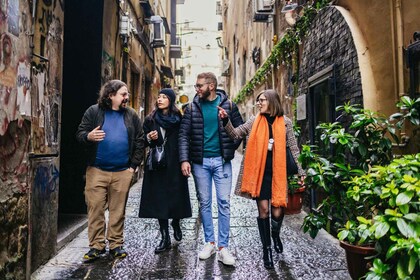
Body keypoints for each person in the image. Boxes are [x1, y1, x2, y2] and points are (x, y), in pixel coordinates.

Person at [218, 89, 305, 269]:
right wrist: (225, 120)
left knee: (277, 212)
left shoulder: (286, 123)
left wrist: (301, 172)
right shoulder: (253, 121)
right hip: (260, 174)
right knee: (264, 210)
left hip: (279, 173)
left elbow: (294, 149)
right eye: (258, 100)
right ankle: (267, 250)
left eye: (262, 100)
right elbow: (235, 134)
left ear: (272, 102)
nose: (259, 103)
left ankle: (275, 235)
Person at [179, 72, 243, 266]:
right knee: (204, 203)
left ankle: (223, 248)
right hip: (200, 163)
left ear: (212, 86)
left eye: (200, 85)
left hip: (222, 162)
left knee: (224, 202)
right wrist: (184, 159)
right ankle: (210, 242)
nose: (196, 89)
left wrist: (229, 150)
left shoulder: (229, 106)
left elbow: (240, 132)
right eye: (196, 86)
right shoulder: (191, 108)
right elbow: (183, 135)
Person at [76, 79, 144, 260]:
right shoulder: (94, 112)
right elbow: (80, 134)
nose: (127, 97)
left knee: (117, 210)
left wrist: (133, 167)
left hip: (123, 171)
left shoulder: (131, 115)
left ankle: (115, 244)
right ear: (110, 95)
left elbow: (140, 140)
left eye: (127, 94)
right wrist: (89, 136)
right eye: (123, 94)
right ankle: (96, 246)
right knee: (95, 208)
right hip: (97, 170)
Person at [138, 88, 192, 254]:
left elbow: (185, 139)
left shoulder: (178, 119)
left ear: (171, 100)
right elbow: (141, 141)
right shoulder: (150, 119)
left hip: (175, 164)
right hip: (157, 165)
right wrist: (149, 138)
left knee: (176, 197)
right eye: (159, 97)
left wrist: (185, 160)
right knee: (160, 200)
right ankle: (165, 238)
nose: (160, 99)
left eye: (164, 97)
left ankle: (176, 221)